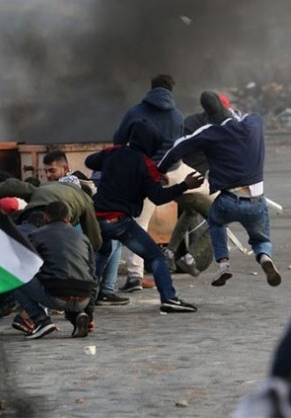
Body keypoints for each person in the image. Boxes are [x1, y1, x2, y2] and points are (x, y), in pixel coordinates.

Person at [158, 91, 281, 288]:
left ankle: (223, 264)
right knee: (261, 239)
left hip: (227, 199)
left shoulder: (209, 132)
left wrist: (159, 171)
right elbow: (250, 116)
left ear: (208, 114)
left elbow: (176, 149)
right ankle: (265, 256)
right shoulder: (254, 123)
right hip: (256, 200)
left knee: (215, 221)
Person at [86, 119, 204, 313]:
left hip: (98, 218)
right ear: (151, 143)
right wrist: (184, 185)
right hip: (120, 222)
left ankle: (85, 300)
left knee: (102, 254)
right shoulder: (145, 164)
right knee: (156, 257)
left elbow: (90, 161)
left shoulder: (114, 152)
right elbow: (158, 197)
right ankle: (169, 298)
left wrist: (113, 161)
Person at [112, 74, 209, 292]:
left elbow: (118, 141)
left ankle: (135, 277)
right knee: (218, 201)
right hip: (175, 171)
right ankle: (190, 255)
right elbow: (179, 146)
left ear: (151, 88)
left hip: (145, 175)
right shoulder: (176, 115)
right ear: (170, 90)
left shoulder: (135, 112)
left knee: (139, 225)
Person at [42, 151, 128, 306]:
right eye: (46, 171)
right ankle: (100, 290)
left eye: (52, 171)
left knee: (112, 242)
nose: (48, 175)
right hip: (67, 231)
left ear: (65, 169)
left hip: (74, 227)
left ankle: (104, 291)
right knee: (109, 244)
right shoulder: (63, 185)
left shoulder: (71, 183)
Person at [12, 201, 96, 339]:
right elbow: (93, 273)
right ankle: (78, 316)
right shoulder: (83, 238)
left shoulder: (37, 235)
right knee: (71, 280)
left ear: (46, 217)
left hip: (56, 295)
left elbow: (25, 262)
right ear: (68, 218)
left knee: (13, 276)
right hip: (84, 298)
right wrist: (89, 312)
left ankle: (40, 320)